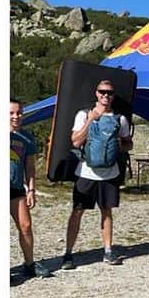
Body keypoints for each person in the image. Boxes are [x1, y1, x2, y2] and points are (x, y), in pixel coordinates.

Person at [61, 79, 132, 270]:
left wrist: (120, 144)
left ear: (113, 96)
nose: (105, 96)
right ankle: (68, 253)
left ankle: (108, 251)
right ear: (96, 93)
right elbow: (75, 142)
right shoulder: (83, 115)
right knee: (77, 211)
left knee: (106, 212)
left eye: (109, 93)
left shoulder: (120, 119)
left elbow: (128, 143)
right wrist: (92, 119)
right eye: (102, 92)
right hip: (86, 171)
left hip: (109, 173)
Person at [10, 98, 48, 281]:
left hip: (17, 189)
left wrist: (31, 189)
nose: (15, 116)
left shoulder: (26, 137)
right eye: (11, 113)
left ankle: (29, 263)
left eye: (18, 113)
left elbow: (30, 166)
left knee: (25, 226)